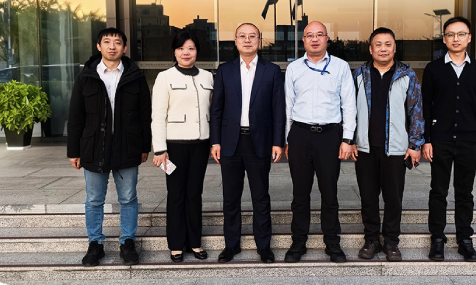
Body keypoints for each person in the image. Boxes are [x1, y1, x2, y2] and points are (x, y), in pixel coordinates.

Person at [67, 27, 152, 267]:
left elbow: (145, 115)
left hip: (128, 146)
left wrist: (144, 146)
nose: (112, 46)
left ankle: (128, 242)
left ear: (125, 48)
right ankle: (95, 244)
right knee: (94, 199)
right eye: (107, 42)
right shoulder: (86, 76)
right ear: (99, 46)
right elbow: (76, 116)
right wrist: (74, 150)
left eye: (117, 42)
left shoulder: (135, 76)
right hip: (94, 146)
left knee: (128, 198)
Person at [210, 23, 286, 264]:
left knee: (260, 196)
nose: (247, 40)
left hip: (259, 142)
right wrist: (215, 141)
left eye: (252, 36)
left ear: (259, 41)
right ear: (235, 41)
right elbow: (216, 109)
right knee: (231, 198)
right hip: (230, 142)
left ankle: (264, 246)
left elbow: (278, 109)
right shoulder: (225, 70)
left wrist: (278, 142)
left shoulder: (271, 70)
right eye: (242, 36)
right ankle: (231, 245)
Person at [284, 21, 357, 264]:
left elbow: (349, 105)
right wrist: (287, 139)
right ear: (303, 40)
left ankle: (332, 243)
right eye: (310, 35)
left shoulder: (341, 66)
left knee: (329, 193)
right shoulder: (294, 68)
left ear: (327, 39)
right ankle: (298, 241)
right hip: (300, 134)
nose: (314, 39)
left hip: (329, 136)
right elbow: (287, 106)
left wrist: (347, 139)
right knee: (300, 193)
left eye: (319, 35)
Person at [422, 16, 476, 262]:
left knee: (465, 192)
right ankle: (437, 239)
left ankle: (464, 239)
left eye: (461, 34)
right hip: (440, 140)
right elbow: (426, 107)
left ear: (469, 38)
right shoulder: (433, 69)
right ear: (444, 39)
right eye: (451, 34)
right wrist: (426, 139)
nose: (456, 38)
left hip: (468, 140)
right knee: (438, 191)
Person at [351, 27, 424, 261]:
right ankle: (371, 240)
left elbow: (416, 110)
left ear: (394, 48)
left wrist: (415, 144)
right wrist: (349, 140)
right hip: (365, 148)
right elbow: (349, 110)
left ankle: (391, 242)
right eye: (378, 44)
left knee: (393, 199)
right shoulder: (359, 74)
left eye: (388, 44)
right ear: (370, 48)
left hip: (396, 149)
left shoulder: (406, 74)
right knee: (368, 198)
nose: (383, 49)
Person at [150, 31, 214, 263]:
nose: (186, 53)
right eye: (181, 48)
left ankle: (195, 242)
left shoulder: (208, 77)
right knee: (176, 194)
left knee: (194, 194)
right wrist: (159, 149)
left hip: (200, 145)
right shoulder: (164, 77)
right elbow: (158, 116)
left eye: (191, 48)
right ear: (174, 52)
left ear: (197, 51)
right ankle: (176, 245)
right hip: (174, 147)